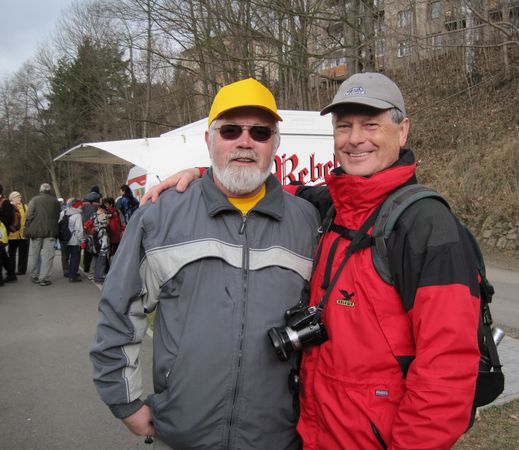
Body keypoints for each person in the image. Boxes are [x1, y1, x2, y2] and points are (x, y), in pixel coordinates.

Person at [144, 73, 482, 449]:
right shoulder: (332, 205)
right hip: (314, 436)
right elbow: (264, 189)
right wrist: (206, 177)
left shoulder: (428, 227)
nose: (355, 138)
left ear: (402, 131)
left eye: (371, 125)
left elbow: (448, 372)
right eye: (344, 126)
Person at [90, 78, 320, 449]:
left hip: (277, 437)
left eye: (260, 132)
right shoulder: (160, 216)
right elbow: (119, 312)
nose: (245, 142)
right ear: (209, 140)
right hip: (184, 433)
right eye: (230, 131)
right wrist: (125, 402)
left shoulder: (308, 221)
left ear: (275, 144)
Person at [24, 183, 61, 286]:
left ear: (40, 190)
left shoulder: (34, 200)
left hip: (36, 231)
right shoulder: (55, 201)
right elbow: (58, 216)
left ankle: (35, 275)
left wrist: (28, 225)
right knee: (48, 256)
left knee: (36, 254)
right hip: (51, 231)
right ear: (49, 190)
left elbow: (29, 215)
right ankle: (44, 278)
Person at [59, 199, 85, 282]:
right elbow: (79, 230)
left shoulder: (64, 212)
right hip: (74, 239)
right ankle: (73, 276)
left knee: (67, 256)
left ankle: (70, 272)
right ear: (77, 205)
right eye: (81, 205)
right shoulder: (78, 215)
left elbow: (59, 223)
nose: (82, 206)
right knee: (75, 257)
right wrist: (82, 240)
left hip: (64, 238)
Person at [7, 191, 29, 277]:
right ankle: (11, 270)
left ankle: (21, 270)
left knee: (23, 253)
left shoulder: (25, 206)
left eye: (20, 196)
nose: (20, 198)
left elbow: (28, 218)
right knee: (11, 254)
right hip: (11, 235)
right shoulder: (8, 207)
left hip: (23, 234)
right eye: (18, 197)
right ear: (12, 198)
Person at [0, 184, 19, 282]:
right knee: (2, 254)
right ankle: (11, 274)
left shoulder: (5, 202)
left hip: (2, 233)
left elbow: (7, 219)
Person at [81, 185, 102, 274]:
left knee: (87, 245)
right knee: (96, 245)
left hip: (85, 225)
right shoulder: (99, 199)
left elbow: (81, 212)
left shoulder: (84, 199)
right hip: (95, 225)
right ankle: (96, 268)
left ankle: (86, 266)